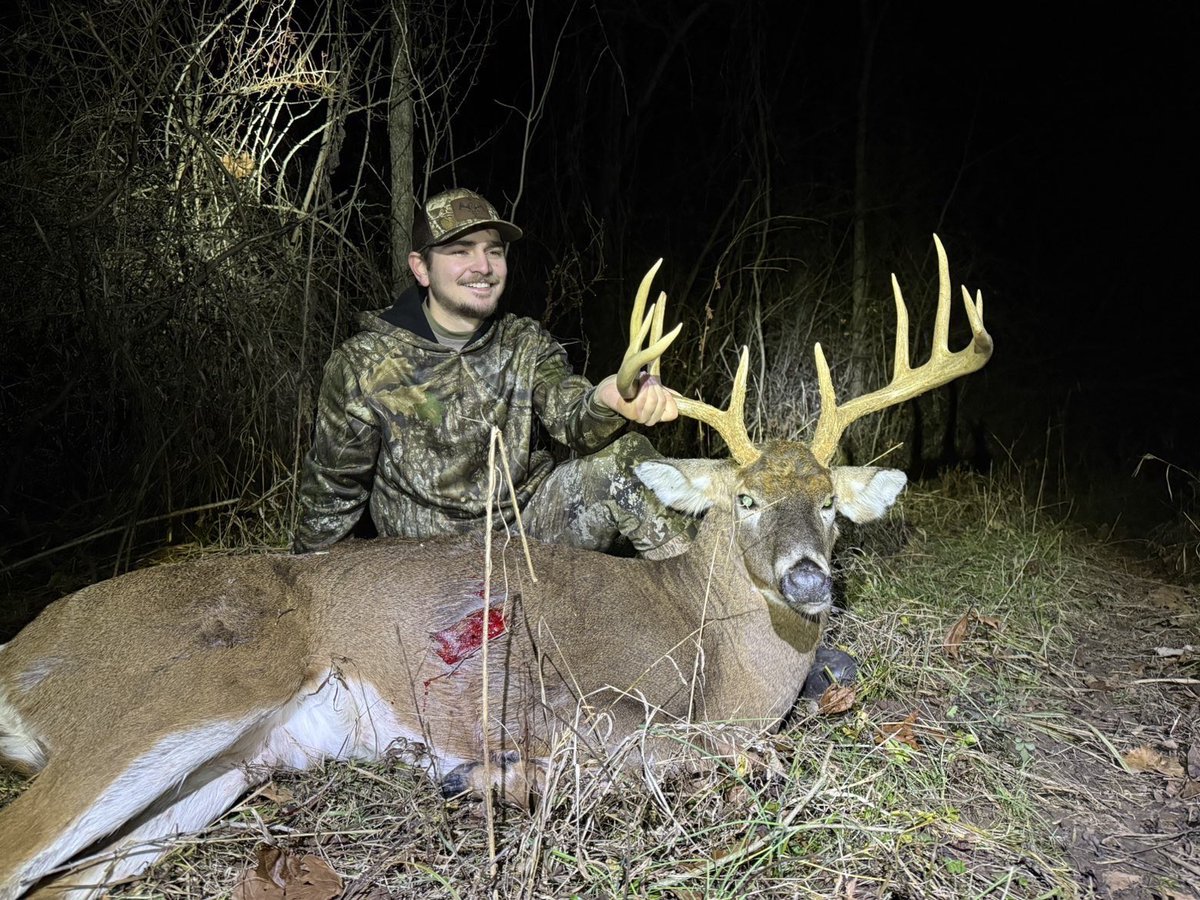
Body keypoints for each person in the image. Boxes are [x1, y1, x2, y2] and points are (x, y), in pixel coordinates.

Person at [293, 188, 694, 557]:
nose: (482, 266)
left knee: (629, 463)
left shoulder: (524, 342)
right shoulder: (364, 363)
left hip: (529, 539)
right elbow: (333, 492)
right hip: (425, 568)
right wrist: (306, 593)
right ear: (421, 268)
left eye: (494, 251)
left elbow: (572, 416)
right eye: (461, 251)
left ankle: (708, 614)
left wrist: (607, 399)